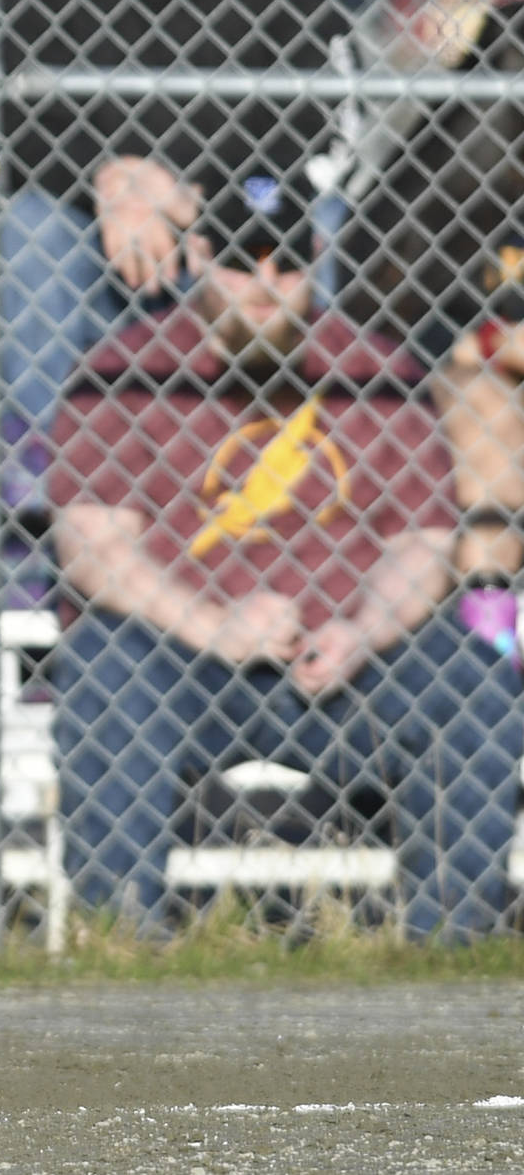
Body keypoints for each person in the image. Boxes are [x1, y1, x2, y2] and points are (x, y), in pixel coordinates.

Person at [48, 166, 524, 943]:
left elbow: (421, 542)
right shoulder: (126, 370)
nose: (267, 284)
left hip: (348, 666)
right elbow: (92, 547)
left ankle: (451, 941)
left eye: (288, 262)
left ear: (318, 258)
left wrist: (364, 629)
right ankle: (119, 935)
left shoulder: (376, 372)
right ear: (201, 256)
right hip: (184, 663)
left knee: (469, 678)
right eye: (244, 261)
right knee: (105, 660)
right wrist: (213, 625)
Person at [0, 0, 348, 431]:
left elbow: (319, 123)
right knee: (29, 226)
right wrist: (108, 179)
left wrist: (193, 196)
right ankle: (39, 455)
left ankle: (312, 440)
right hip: (94, 212)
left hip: (244, 197)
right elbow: (11, 118)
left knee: (317, 219)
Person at [343, 0, 524, 661]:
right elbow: (401, 322)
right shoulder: (460, 184)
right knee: (484, 404)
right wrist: (493, 343)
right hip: (483, 390)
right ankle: (491, 639)